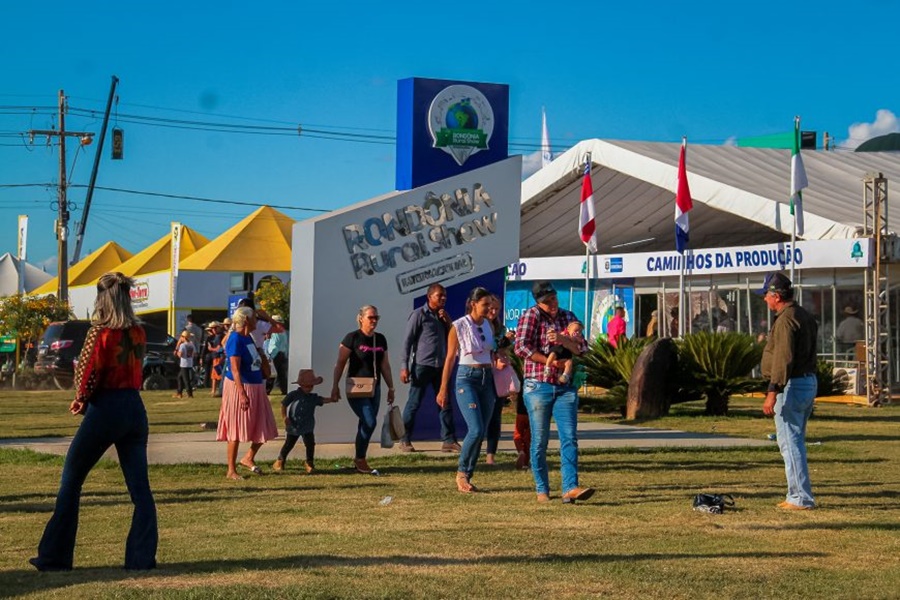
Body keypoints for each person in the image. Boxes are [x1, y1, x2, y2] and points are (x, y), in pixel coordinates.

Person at [31, 272, 157, 571]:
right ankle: (141, 558)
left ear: (103, 299)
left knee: (71, 482)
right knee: (140, 490)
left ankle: (55, 556)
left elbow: (88, 372)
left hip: (106, 407)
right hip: (134, 407)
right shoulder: (139, 333)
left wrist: (81, 398)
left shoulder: (99, 333)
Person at [515, 280, 594, 504]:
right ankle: (542, 490)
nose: (552, 304)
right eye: (547, 301)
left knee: (569, 437)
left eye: (554, 298)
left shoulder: (568, 317)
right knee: (539, 440)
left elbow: (582, 349)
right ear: (538, 303)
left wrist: (563, 340)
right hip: (538, 385)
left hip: (565, 388)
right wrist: (550, 364)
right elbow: (521, 347)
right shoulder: (530, 316)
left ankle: (570, 487)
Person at [757, 272, 818, 510]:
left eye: (766, 295)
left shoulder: (785, 319)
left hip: (791, 384)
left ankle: (800, 497)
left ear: (776, 296)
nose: (764, 300)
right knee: (795, 440)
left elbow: (784, 358)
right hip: (807, 381)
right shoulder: (803, 314)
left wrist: (773, 390)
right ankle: (796, 493)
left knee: (789, 442)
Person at [437, 287, 497, 492]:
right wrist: (443, 388)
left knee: (482, 431)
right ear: (473, 304)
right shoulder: (458, 326)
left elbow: (492, 352)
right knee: (476, 428)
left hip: (487, 379)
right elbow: (450, 358)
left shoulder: (489, 324)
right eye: (485, 304)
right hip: (467, 378)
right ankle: (461, 473)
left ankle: (468, 476)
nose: (489, 308)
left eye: (490, 304)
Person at [330, 305, 396, 475]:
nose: (374, 321)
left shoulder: (380, 339)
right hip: (356, 387)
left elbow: (385, 365)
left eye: (376, 318)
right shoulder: (352, 338)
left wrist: (391, 387)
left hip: (375, 387)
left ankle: (360, 459)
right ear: (361, 318)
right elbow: (340, 363)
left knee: (366, 423)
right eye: (370, 317)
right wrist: (335, 385)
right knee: (369, 421)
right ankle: (360, 459)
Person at [216, 306, 279, 479]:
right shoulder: (235, 339)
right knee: (236, 427)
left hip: (256, 385)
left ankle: (248, 457)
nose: (257, 322)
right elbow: (235, 369)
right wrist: (242, 393)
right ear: (246, 320)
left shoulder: (248, 337)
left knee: (264, 424)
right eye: (254, 318)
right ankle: (231, 470)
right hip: (240, 387)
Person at [398, 283, 459, 453]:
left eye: (444, 295)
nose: (443, 298)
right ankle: (405, 438)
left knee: (444, 402)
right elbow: (407, 342)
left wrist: (447, 320)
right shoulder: (419, 314)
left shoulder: (442, 316)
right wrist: (404, 366)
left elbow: (454, 336)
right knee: (414, 403)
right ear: (429, 296)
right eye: (440, 295)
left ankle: (448, 440)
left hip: (441, 366)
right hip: (422, 366)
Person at [272, 369, 336, 474]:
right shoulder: (294, 395)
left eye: (311, 386)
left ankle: (309, 462)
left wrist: (332, 399)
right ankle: (280, 460)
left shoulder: (313, 397)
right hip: (294, 425)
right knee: (289, 444)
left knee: (310, 444)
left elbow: (322, 400)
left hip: (307, 425)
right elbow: (284, 404)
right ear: (301, 385)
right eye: (307, 386)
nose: (309, 388)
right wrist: (284, 417)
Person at [485, 294, 518, 466]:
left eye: (497, 309)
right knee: (481, 418)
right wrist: (503, 343)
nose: (493, 312)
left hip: (497, 377)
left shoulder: (500, 327)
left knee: (495, 417)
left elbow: (502, 350)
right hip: (481, 376)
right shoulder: (478, 326)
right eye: (490, 308)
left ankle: (490, 455)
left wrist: (506, 347)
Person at [266, 315, 289, 395]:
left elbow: (275, 345)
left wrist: (271, 356)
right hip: (282, 354)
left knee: (272, 373)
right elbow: (285, 345)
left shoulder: (275, 331)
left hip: (276, 354)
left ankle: (267, 390)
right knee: (282, 374)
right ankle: (284, 389)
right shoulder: (283, 331)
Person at [173, 330, 196, 399]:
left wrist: (177, 350)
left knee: (186, 380)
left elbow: (180, 355)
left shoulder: (182, 345)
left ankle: (190, 394)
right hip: (190, 363)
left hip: (184, 364)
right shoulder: (191, 344)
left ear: (184, 337)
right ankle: (179, 392)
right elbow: (194, 353)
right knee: (180, 377)